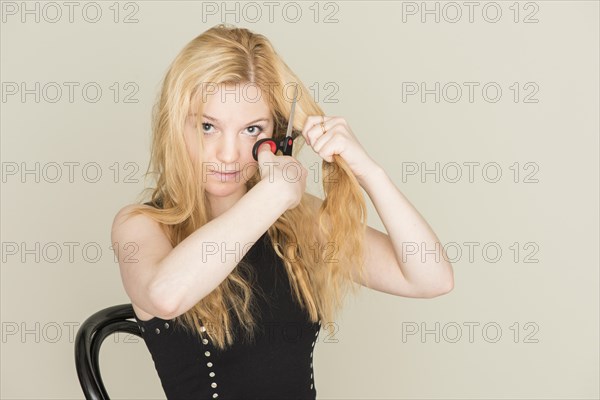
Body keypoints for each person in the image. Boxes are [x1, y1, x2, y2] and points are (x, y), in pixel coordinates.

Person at [111, 23, 454, 399]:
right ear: (176, 126)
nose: (229, 154)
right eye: (208, 126)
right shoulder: (141, 226)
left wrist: (367, 170)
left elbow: (430, 278)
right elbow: (166, 296)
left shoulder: (296, 219)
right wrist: (274, 195)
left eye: (251, 129)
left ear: (276, 134)